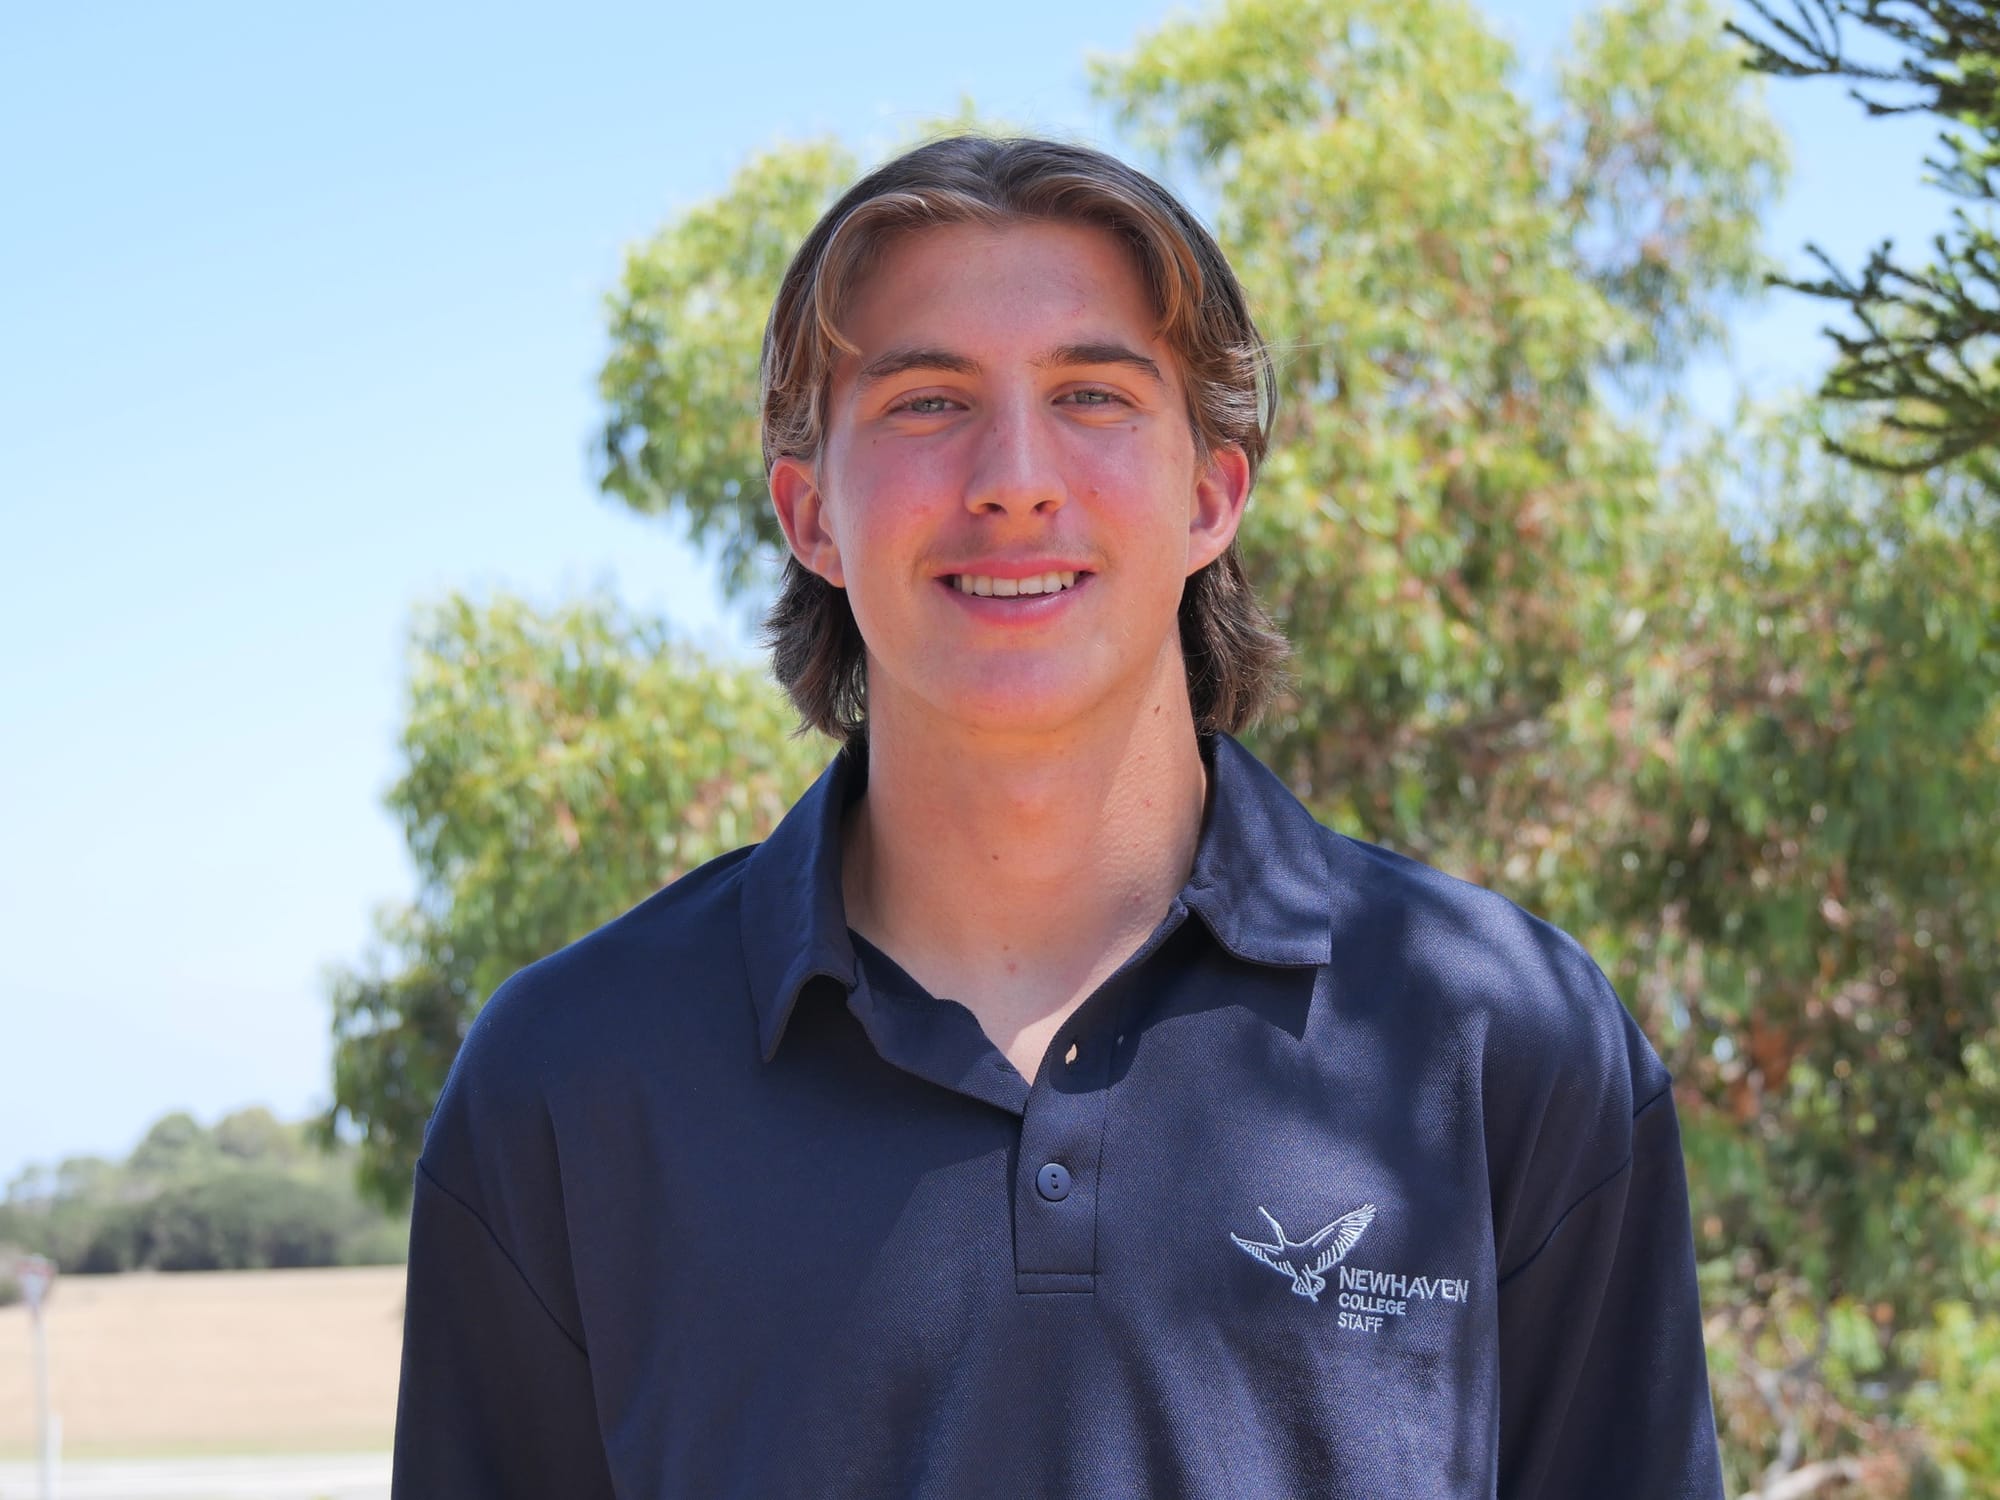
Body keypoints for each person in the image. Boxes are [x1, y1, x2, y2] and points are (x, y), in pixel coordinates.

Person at [390, 134, 1726, 1498]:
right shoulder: (567, 1082)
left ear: (1212, 492)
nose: (1014, 477)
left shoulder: (1504, 1041)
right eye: (925, 402)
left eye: (1092, 394)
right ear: (812, 515)